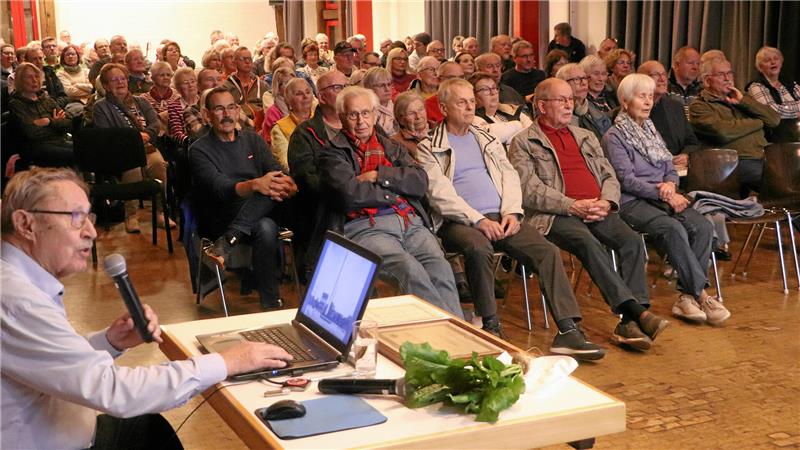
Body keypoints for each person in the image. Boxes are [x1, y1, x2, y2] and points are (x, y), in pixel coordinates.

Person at [0, 167, 295, 450]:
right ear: (26, 224)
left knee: (151, 431)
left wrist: (110, 342)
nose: (92, 231)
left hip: (64, 428)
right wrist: (228, 362)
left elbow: (55, 361)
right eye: (76, 218)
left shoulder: (24, 283)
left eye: (89, 216)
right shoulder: (17, 300)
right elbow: (114, 391)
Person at [416, 78, 604, 356]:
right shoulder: (429, 147)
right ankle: (490, 326)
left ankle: (568, 331)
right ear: (443, 108)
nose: (470, 107)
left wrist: (513, 212)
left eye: (471, 101)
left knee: (548, 251)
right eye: (461, 102)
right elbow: (440, 195)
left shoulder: (486, 138)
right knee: (478, 248)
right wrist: (478, 220)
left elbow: (510, 177)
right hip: (459, 222)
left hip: (502, 216)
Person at [508, 78, 668, 352]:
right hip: (556, 214)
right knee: (588, 243)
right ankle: (636, 312)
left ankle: (629, 322)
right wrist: (572, 205)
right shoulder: (523, 142)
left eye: (570, 99)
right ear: (542, 105)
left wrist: (607, 201)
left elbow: (609, 175)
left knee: (630, 241)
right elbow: (528, 190)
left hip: (597, 207)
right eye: (561, 99)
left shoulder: (585, 135)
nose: (569, 104)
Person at [318, 86, 463, 318]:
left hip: (410, 223)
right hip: (366, 228)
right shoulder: (332, 153)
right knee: (410, 270)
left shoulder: (392, 147)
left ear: (375, 115)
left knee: (441, 267)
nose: (361, 121)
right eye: (353, 115)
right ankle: (448, 333)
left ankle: (458, 336)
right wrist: (396, 191)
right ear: (342, 117)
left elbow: (419, 182)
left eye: (366, 113)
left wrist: (379, 176)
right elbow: (349, 194)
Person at [603, 74, 730, 326]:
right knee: (672, 228)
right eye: (642, 96)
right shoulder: (614, 136)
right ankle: (702, 295)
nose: (648, 101)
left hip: (664, 196)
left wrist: (671, 185)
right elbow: (627, 180)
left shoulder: (651, 130)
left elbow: (669, 165)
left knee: (703, 226)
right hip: (631, 202)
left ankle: (685, 297)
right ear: (625, 101)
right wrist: (664, 193)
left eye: (650, 96)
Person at [192, 87, 298, 309]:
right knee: (266, 224)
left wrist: (283, 183)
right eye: (219, 109)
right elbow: (221, 189)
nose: (227, 114)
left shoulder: (253, 141)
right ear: (206, 114)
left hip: (260, 208)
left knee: (269, 207)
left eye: (231, 107)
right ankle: (270, 301)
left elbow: (277, 172)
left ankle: (228, 241)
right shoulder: (199, 149)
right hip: (222, 213)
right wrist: (256, 185)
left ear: (238, 110)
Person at [93, 63, 170, 233]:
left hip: (147, 147)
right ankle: (131, 215)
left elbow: (155, 123)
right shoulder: (100, 107)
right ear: (105, 85)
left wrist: (147, 135)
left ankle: (160, 213)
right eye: (114, 80)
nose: (120, 83)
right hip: (122, 152)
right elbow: (106, 134)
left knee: (159, 165)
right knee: (132, 168)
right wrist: (134, 138)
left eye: (122, 79)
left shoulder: (140, 100)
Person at [689, 57, 780, 196]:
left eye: (729, 73)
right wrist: (758, 122)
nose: (727, 78)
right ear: (707, 80)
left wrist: (743, 101)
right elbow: (723, 133)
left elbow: (774, 120)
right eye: (721, 74)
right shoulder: (700, 105)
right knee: (782, 180)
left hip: (765, 158)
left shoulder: (742, 98)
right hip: (734, 163)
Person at [287, 70, 347, 275]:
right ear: (321, 97)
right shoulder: (305, 134)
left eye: (347, 87)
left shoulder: (361, 125)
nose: (345, 92)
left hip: (364, 205)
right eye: (337, 88)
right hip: (321, 210)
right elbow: (308, 181)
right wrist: (349, 188)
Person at [8, 63, 74, 168]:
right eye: (29, 77)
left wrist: (49, 122)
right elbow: (32, 133)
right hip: (34, 148)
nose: (35, 80)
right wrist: (57, 124)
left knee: (85, 148)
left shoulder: (47, 99)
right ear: (20, 81)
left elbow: (70, 124)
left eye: (37, 76)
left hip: (57, 140)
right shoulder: (16, 104)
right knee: (74, 154)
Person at [746, 46, 800, 142]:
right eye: (767, 60)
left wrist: (784, 108)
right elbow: (771, 112)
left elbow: (778, 109)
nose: (773, 62)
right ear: (760, 67)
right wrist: (796, 113)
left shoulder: (790, 83)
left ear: (781, 62)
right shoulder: (756, 86)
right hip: (772, 140)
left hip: (795, 137)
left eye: (776, 59)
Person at [470, 72, 532, 144]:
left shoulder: (511, 110)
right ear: (473, 96)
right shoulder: (472, 118)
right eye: (485, 89)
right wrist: (518, 125)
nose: (493, 93)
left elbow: (532, 132)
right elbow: (489, 138)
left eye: (494, 88)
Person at [556, 63, 612, 140]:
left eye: (585, 78)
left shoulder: (598, 114)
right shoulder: (556, 117)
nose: (584, 83)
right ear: (563, 84)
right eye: (577, 79)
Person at [270, 78, 314, 171]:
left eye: (307, 92)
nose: (305, 96)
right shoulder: (279, 129)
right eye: (299, 93)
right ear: (289, 101)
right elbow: (287, 164)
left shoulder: (322, 119)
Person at [224, 46, 268, 130]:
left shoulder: (263, 85)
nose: (247, 62)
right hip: (239, 126)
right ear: (235, 62)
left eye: (249, 59)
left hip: (262, 125)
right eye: (243, 59)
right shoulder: (227, 87)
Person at [261, 67, 296, 143]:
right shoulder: (272, 112)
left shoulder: (301, 105)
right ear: (278, 87)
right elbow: (273, 140)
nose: (292, 86)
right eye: (287, 83)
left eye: (293, 82)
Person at [166, 67, 200, 145]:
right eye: (185, 83)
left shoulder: (204, 101)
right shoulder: (174, 107)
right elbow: (177, 133)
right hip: (190, 145)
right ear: (178, 87)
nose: (190, 85)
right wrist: (191, 142)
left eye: (192, 81)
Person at [391, 91, 429, 158]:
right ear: (401, 120)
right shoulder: (395, 143)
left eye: (421, 110)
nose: (418, 116)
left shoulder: (439, 130)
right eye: (411, 113)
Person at [667, 46, 703, 115]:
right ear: (677, 65)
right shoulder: (664, 88)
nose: (695, 67)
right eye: (690, 63)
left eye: (698, 64)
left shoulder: (702, 90)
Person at [363, 66, 398, 136]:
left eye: (389, 84)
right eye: (382, 85)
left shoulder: (397, 108)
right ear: (369, 88)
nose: (387, 89)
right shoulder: (365, 112)